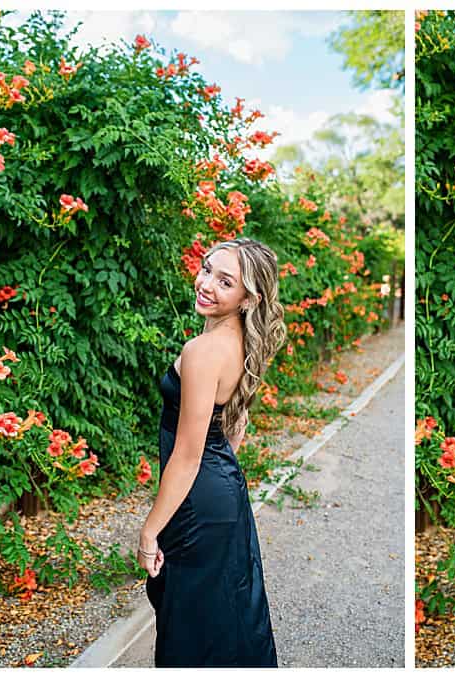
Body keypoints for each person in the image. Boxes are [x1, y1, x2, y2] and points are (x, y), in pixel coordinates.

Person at [136, 238, 285, 667]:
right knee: (225, 619)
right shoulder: (241, 342)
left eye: (225, 281)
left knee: (191, 627)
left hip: (198, 499)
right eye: (206, 270)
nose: (206, 284)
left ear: (246, 298)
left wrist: (150, 532)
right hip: (223, 492)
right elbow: (235, 425)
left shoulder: (202, 351)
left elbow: (187, 454)